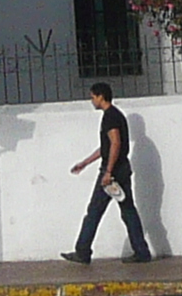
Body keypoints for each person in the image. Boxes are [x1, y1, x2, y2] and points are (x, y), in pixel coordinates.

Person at [61, 83, 153, 266]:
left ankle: (83, 251)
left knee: (94, 211)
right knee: (128, 211)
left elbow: (115, 144)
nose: (92, 101)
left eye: (93, 97)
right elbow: (107, 147)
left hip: (112, 172)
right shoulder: (116, 115)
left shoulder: (110, 117)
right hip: (122, 169)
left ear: (101, 96)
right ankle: (141, 252)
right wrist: (86, 162)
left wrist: (108, 172)